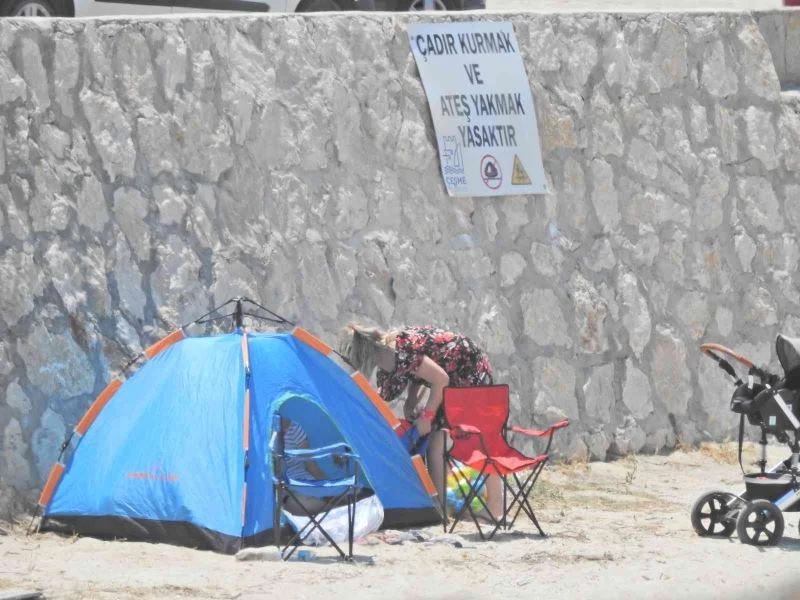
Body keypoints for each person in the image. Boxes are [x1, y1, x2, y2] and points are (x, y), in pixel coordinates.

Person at [341, 323, 502, 523]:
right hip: (449, 377)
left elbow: (440, 378)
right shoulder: (389, 355)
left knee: (480, 440)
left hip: (466, 370)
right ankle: (440, 508)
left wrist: (427, 417)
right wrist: (411, 402)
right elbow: (419, 373)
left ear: (364, 353)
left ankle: (495, 508)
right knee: (436, 444)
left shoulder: (397, 351)